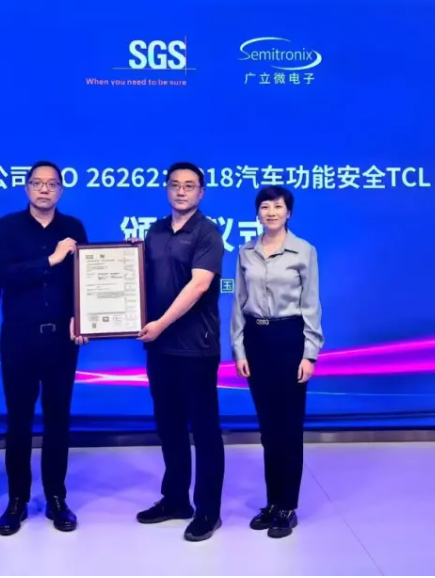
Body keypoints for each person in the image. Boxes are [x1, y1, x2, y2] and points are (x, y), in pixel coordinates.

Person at [0, 161, 88, 536]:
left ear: (60, 190)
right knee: (19, 420)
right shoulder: (8, 227)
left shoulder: (73, 227)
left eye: (51, 184)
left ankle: (56, 498)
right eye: (37, 183)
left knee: (58, 420)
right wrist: (50, 260)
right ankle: (16, 500)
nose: (44, 189)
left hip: (62, 341)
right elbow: (2, 275)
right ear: (27, 188)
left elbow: (84, 279)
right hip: (19, 339)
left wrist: (82, 317)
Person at [135, 161, 226, 542]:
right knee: (169, 426)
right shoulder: (154, 231)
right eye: (175, 185)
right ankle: (175, 499)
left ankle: (207, 510)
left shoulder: (208, 232)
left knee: (204, 430)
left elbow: (198, 286)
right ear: (167, 189)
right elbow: (136, 281)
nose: (181, 191)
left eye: (189, 186)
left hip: (195, 349)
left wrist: (160, 323)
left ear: (201, 192)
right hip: (160, 349)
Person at [229, 185, 323, 539]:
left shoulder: (304, 251)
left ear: (289, 213)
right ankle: (272, 503)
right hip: (257, 339)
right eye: (265, 206)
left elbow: (311, 303)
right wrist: (239, 349)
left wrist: (309, 353)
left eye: (278, 206)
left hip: (289, 338)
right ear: (257, 213)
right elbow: (238, 302)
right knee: (268, 429)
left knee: (288, 427)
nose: (271, 212)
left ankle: (287, 506)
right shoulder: (245, 252)